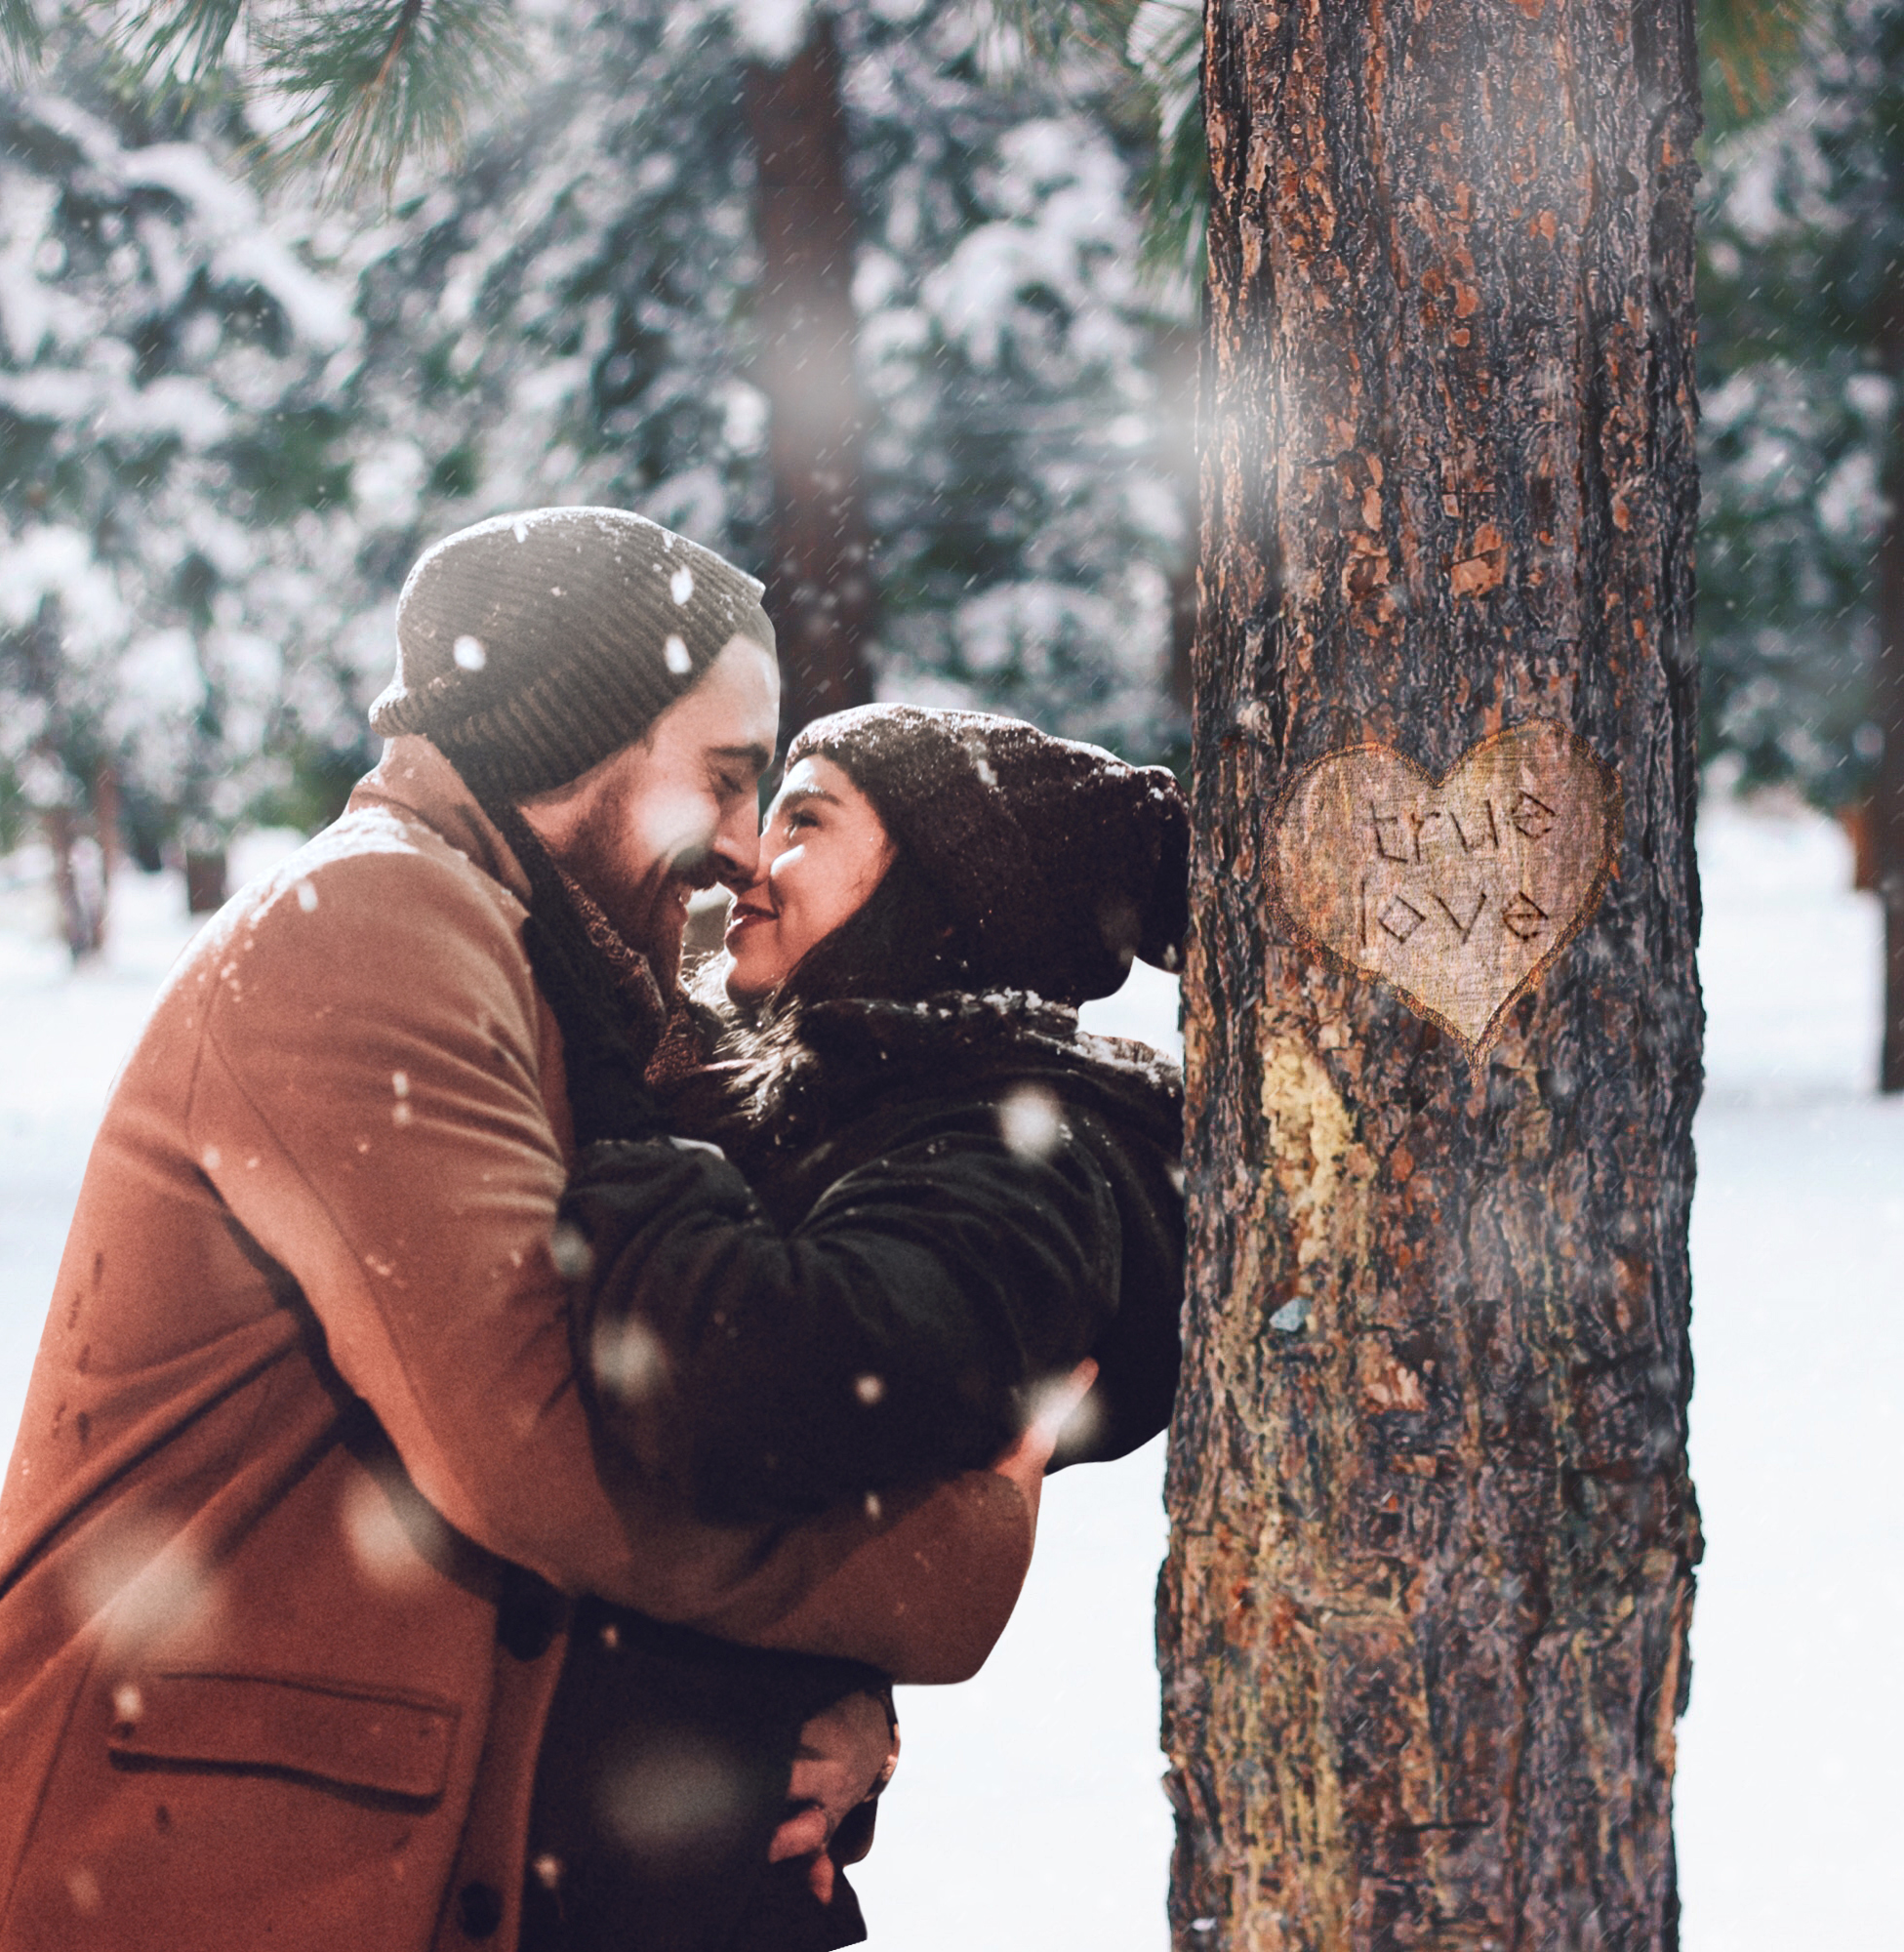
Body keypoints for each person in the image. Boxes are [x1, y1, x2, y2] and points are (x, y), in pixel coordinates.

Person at [0, 509, 1042, 1952]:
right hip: (202, 1874)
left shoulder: (582, 988)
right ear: (578, 742)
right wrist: (946, 1564)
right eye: (727, 779)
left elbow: (699, 1398)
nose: (745, 851)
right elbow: (536, 1452)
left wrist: (817, 1706)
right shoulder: (367, 924)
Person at [527, 703, 1188, 1949]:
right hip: (647, 1847)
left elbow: (774, 1384)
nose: (748, 862)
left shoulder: (1011, 1149)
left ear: (941, 893)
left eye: (805, 821)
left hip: (685, 1883)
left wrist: (619, 1137)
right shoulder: (833, 1099)